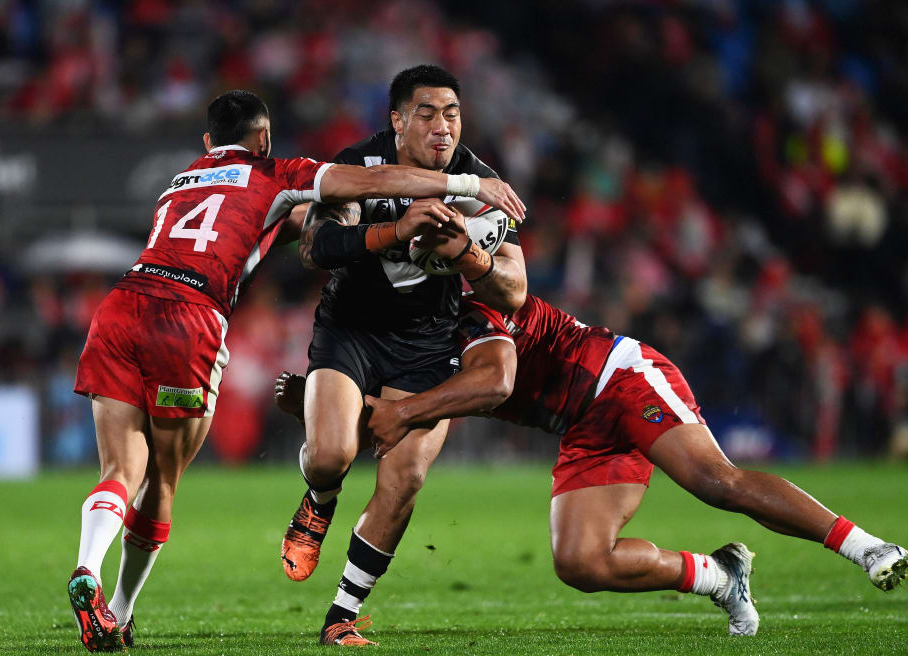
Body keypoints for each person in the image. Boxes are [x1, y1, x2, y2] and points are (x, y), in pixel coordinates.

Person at [66, 88, 526, 653]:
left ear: (209, 143)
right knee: (161, 479)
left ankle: (88, 566)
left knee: (120, 469)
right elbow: (361, 189)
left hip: (121, 306)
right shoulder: (277, 172)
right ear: (263, 139)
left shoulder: (181, 179)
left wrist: (347, 230)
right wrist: (466, 188)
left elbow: (294, 231)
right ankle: (118, 608)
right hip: (190, 316)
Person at [274, 290, 908, 638]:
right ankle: (718, 575)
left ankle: (866, 546)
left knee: (717, 482)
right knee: (580, 562)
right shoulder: (401, 337)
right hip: (579, 426)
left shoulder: (467, 304)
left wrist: (371, 406)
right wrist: (321, 404)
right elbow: (395, 416)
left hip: (617, 379)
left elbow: (489, 382)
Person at [280, 64, 528, 646]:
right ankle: (319, 497)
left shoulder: (480, 180)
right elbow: (315, 248)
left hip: (428, 339)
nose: (443, 128)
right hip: (351, 328)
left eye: (453, 114)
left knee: (406, 475)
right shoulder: (359, 165)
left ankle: (342, 615)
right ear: (396, 120)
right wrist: (397, 230)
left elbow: (513, 290)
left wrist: (467, 254)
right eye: (427, 113)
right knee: (330, 456)